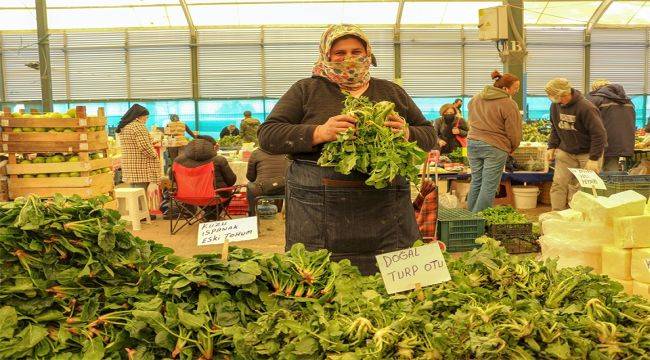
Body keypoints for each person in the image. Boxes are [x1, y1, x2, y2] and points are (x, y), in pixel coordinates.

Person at [258, 24, 436, 275]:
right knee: (321, 282)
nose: (349, 59)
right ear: (326, 54)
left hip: (386, 209)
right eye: (340, 52)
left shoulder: (391, 91)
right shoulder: (306, 89)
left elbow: (429, 135)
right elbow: (268, 135)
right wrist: (320, 132)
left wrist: (407, 132)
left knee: (393, 291)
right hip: (318, 208)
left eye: (356, 51)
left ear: (368, 54)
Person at [545, 78, 607, 211]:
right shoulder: (555, 106)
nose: (552, 99)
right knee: (558, 184)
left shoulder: (586, 107)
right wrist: (552, 146)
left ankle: (579, 217)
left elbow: (599, 134)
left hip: (588, 153)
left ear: (563, 94)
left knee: (584, 189)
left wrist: (594, 158)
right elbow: (555, 127)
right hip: (566, 152)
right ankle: (556, 215)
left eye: (553, 96)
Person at [466, 70, 522, 213]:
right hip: (495, 146)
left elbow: (471, 121)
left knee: (476, 181)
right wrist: (513, 147)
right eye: (515, 88)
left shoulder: (475, 99)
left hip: (472, 143)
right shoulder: (508, 103)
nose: (517, 91)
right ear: (504, 89)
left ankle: (469, 218)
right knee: (489, 185)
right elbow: (514, 131)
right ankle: (478, 220)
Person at [586, 80, 636, 172]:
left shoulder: (595, 100)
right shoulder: (628, 101)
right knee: (612, 173)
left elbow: (587, 122)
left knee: (594, 173)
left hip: (599, 143)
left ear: (595, 89)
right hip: (620, 144)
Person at [116, 104, 160, 200]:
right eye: (146, 117)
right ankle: (144, 214)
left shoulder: (125, 127)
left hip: (131, 168)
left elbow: (133, 144)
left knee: (135, 196)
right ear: (139, 116)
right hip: (142, 168)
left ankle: (138, 214)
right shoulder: (138, 126)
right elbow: (144, 147)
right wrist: (154, 154)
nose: (146, 119)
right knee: (143, 197)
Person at [246, 149, 290, 215]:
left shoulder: (256, 153)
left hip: (262, 190)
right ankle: (278, 212)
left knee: (249, 185)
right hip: (283, 189)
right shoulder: (286, 152)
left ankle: (252, 214)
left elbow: (251, 178)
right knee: (278, 187)